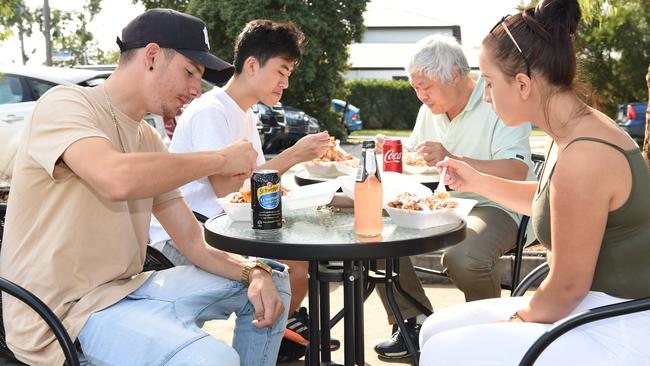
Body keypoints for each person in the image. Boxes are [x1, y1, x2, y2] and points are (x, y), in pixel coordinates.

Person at [0, 9, 290, 366]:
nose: (196, 89)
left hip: (127, 290)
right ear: (152, 56)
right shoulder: (66, 104)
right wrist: (219, 159)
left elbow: (193, 243)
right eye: (189, 72)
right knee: (211, 359)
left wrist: (253, 271)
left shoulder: (146, 137)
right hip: (62, 316)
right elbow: (115, 178)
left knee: (274, 280)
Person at [419, 0, 650, 364]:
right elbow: (554, 203)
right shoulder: (573, 130)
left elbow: (566, 288)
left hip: (620, 325)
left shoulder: (584, 154)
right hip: (593, 306)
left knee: (444, 352)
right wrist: (477, 181)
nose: (487, 96)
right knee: (432, 330)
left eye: (490, 83)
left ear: (523, 84)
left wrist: (515, 321)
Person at [147, 19, 332, 356]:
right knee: (284, 274)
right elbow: (230, 191)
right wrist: (293, 154)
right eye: (281, 70)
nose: (285, 83)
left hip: (224, 230)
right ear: (251, 65)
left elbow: (257, 182)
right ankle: (279, 337)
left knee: (302, 261)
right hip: (184, 237)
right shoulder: (210, 111)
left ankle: (280, 339)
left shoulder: (244, 114)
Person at [372, 34, 534, 360]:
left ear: (455, 76)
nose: (421, 97)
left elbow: (516, 170)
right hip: (445, 201)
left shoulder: (496, 99)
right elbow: (423, 164)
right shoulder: (430, 111)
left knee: (463, 256)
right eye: (416, 88)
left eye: (426, 87)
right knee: (369, 228)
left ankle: (490, 337)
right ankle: (413, 322)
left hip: (498, 204)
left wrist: (453, 156)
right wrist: (396, 152)